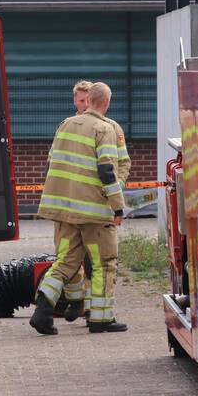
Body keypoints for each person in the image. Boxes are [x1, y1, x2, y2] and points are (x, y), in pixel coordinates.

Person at [31, 82, 127, 335]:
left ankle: (43, 309)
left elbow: (53, 161)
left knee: (66, 260)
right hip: (94, 212)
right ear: (106, 103)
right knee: (104, 263)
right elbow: (107, 170)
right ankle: (101, 319)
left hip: (64, 209)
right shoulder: (104, 128)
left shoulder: (65, 124)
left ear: (89, 100)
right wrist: (118, 207)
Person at [61, 80, 131, 323]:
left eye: (85, 100)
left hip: (100, 208)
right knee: (69, 259)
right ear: (76, 101)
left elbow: (121, 164)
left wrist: (115, 191)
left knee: (98, 262)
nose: (83, 104)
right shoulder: (67, 127)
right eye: (79, 101)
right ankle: (76, 302)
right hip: (72, 209)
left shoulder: (111, 128)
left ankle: (94, 311)